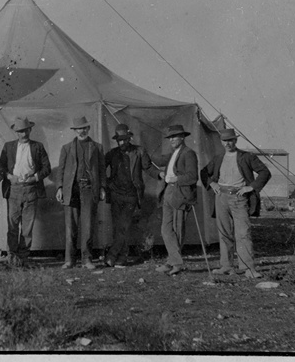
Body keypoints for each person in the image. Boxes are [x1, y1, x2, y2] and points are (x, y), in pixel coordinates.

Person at [200, 128, 271, 279]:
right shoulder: (218, 158)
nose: (228, 143)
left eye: (231, 140)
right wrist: (212, 184)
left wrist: (250, 187)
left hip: (239, 199)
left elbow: (265, 172)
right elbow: (204, 173)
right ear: (221, 142)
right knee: (224, 233)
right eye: (225, 141)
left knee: (243, 233)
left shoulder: (247, 157)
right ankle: (226, 266)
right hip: (221, 198)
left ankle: (248, 268)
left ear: (236, 141)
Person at [0, 117, 52, 266]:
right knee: (12, 225)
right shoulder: (8, 146)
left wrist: (35, 178)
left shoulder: (38, 147)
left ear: (30, 130)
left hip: (31, 190)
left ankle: (23, 257)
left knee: (27, 227)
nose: (23, 134)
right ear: (16, 132)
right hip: (14, 190)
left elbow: (46, 168)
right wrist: (9, 176)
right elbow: (0, 167)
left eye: (26, 130)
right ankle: (12, 257)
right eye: (20, 131)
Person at [56, 116, 106, 270]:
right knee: (71, 227)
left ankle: (87, 260)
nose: (82, 131)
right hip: (71, 190)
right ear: (75, 130)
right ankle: (70, 260)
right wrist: (59, 188)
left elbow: (102, 170)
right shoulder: (66, 148)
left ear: (88, 129)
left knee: (88, 226)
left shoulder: (97, 147)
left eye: (84, 128)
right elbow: (61, 170)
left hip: (89, 190)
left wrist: (102, 187)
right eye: (79, 128)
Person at [104, 124, 156, 267]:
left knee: (124, 226)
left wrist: (161, 174)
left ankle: (112, 255)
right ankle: (122, 258)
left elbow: (148, 168)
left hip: (132, 196)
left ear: (129, 138)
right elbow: (100, 168)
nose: (122, 143)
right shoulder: (112, 153)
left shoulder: (139, 151)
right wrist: (108, 183)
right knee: (118, 227)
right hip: (115, 195)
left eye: (125, 139)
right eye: (119, 140)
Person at [151, 124, 198, 275]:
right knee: (166, 229)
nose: (171, 139)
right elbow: (157, 160)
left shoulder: (188, 153)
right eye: (170, 137)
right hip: (169, 192)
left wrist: (177, 178)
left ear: (183, 137)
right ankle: (173, 261)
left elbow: (193, 177)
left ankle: (175, 263)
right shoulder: (174, 153)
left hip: (180, 193)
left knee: (177, 230)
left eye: (175, 136)